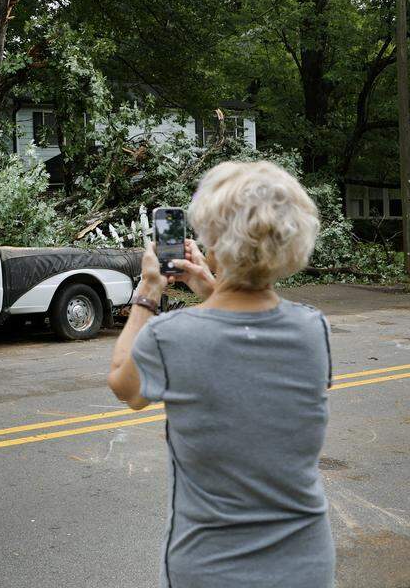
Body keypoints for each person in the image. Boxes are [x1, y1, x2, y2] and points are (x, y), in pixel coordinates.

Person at [108, 160, 335, 588]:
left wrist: (149, 293)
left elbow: (125, 385)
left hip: (210, 567)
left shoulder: (170, 336)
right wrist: (212, 287)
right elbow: (246, 338)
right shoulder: (312, 330)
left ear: (212, 241)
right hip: (305, 563)